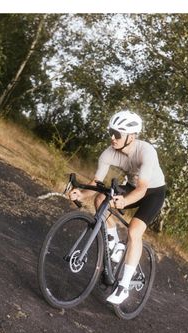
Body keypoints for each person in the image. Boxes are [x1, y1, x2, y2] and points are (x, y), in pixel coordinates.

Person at [68, 110, 166, 304]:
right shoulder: (108, 153)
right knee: (100, 199)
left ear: (131, 136)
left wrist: (125, 201)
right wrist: (82, 194)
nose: (112, 137)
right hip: (132, 186)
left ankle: (124, 286)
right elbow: (96, 182)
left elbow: (142, 188)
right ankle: (114, 242)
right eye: (111, 132)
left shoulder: (146, 152)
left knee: (134, 231)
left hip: (153, 192)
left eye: (117, 134)